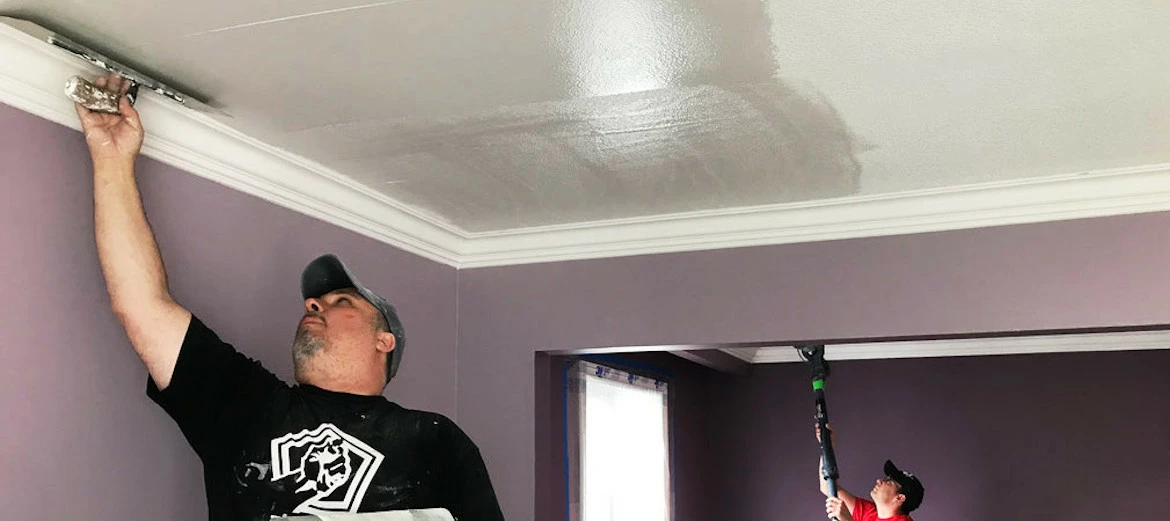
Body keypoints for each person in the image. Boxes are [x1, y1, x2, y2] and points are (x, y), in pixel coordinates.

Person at [76, 73, 505, 521]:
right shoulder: (246, 405)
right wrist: (112, 159)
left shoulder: (435, 439)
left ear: (385, 341)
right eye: (317, 302)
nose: (313, 304)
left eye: (343, 301)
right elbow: (142, 305)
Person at [816, 424, 924, 521]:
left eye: (889, 481)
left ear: (899, 498)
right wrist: (827, 446)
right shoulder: (869, 512)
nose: (879, 481)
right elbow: (827, 486)